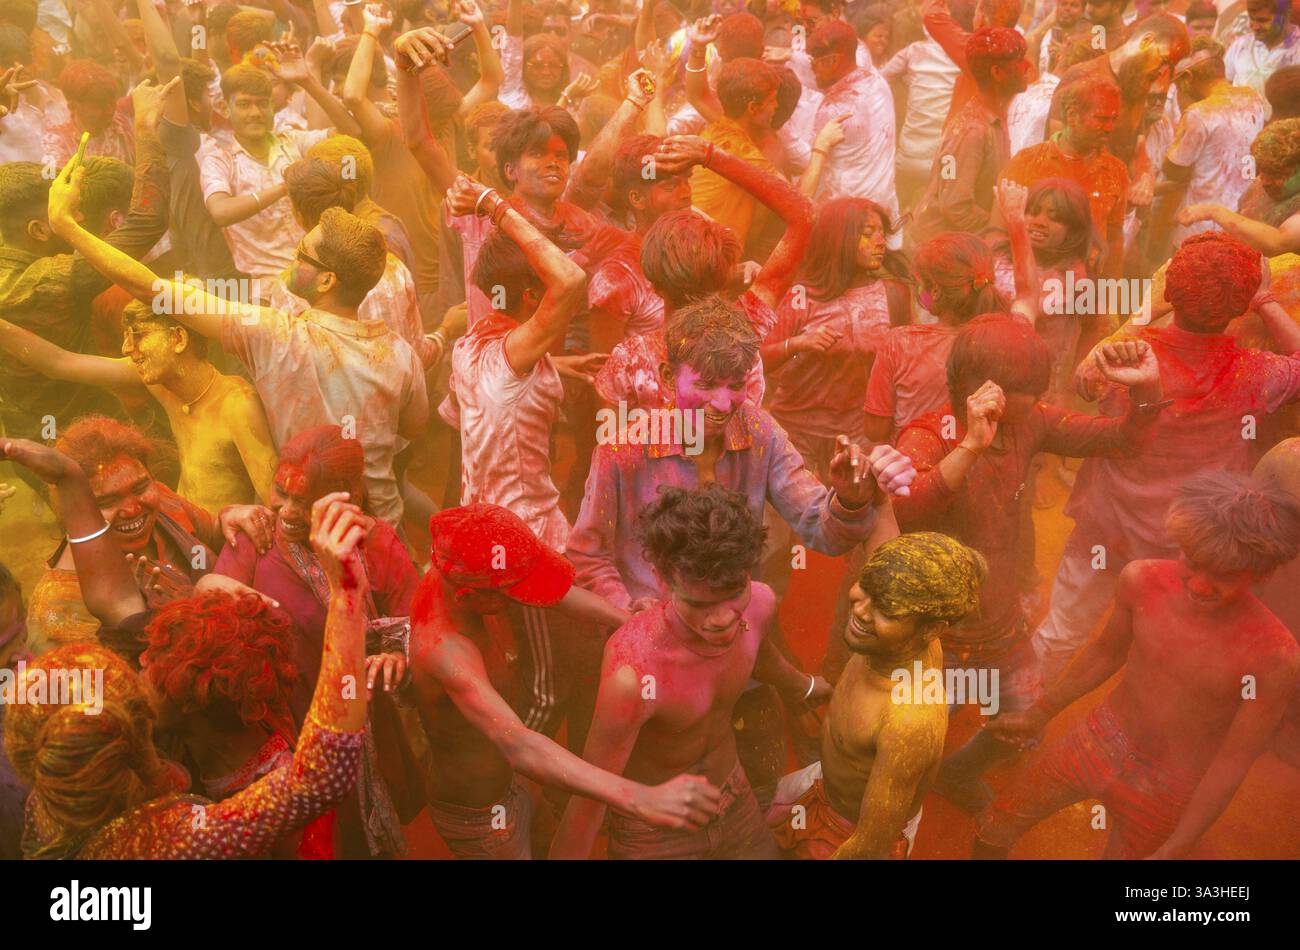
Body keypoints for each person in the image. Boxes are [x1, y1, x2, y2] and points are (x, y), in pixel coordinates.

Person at [2, 435, 369, 860]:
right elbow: (322, 777)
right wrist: (347, 594)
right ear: (142, 741)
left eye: (142, 665)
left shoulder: (50, 804)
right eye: (139, 678)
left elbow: (116, 602)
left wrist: (69, 479)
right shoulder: (170, 835)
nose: (140, 662)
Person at [48, 141, 429, 529]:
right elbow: (413, 429)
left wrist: (66, 227)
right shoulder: (401, 355)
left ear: (328, 280)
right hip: (383, 530)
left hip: (310, 531)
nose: (291, 262)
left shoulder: (277, 337)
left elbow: (151, 289)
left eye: (301, 256)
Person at [893, 314, 1165, 809]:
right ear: (983, 387)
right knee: (915, 739)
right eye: (1029, 390)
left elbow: (1120, 441)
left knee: (1024, 726)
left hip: (1001, 627)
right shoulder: (929, 434)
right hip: (935, 634)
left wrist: (1147, 392)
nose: (1038, 400)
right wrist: (971, 446)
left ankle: (953, 775)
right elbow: (907, 506)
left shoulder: (1031, 421)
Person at [979, 471, 1300, 858]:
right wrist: (1040, 713)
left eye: (1223, 576)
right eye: (1192, 562)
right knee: (997, 825)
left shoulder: (1275, 656)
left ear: (1262, 573)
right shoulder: (1141, 579)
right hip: (1101, 735)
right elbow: (1105, 653)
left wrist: (1178, 845)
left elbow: (1234, 760)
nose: (1198, 584)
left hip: (1172, 783)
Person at [1032, 232, 1300, 683]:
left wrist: (1146, 308)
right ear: (1240, 307)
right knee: (1159, 648)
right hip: (1187, 545)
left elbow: (1085, 378)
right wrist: (1267, 299)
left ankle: (1020, 715)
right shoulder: (1257, 374)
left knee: (1062, 630)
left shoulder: (1127, 358)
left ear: (1168, 292)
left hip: (1108, 527)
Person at [407, 502, 723, 859]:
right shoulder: (445, 651)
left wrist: (626, 621)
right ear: (471, 596)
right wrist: (639, 797)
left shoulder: (460, 570)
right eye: (512, 592)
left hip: (520, 784)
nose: (519, 598)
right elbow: (518, 745)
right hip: (482, 817)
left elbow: (554, 594)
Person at [552, 484, 830, 859]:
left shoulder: (759, 604)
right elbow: (589, 796)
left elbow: (762, 658)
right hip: (654, 832)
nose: (721, 620)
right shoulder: (632, 670)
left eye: (733, 594)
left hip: (734, 802)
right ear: (661, 579)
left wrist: (806, 687)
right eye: (699, 603)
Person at [769, 532, 986, 859]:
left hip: (846, 830)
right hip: (823, 782)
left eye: (886, 609)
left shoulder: (909, 722)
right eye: (866, 589)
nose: (861, 610)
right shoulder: (906, 636)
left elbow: (869, 845)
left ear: (932, 629)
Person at [0, 298, 278, 514]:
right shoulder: (166, 385)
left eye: (138, 335)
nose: (125, 348)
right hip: (189, 534)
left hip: (225, 547)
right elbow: (59, 363)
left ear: (178, 339)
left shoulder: (237, 405)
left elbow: (275, 505)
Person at [24, 416, 226, 655]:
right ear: (75, 512)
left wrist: (231, 519)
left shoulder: (162, 502)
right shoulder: (60, 602)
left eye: (140, 488)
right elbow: (110, 686)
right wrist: (142, 620)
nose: (132, 509)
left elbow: (214, 534)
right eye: (107, 501)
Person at [863, 232, 1007, 444]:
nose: (920, 291)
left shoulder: (900, 343)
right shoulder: (1004, 338)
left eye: (921, 284)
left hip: (914, 469)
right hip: (980, 467)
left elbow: (875, 430)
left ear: (936, 291)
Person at [1147, 38, 1267, 261]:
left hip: (1199, 229)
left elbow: (1174, 169)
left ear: (1189, 78)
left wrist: (1185, 110)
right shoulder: (1253, 97)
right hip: (1244, 225)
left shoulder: (1199, 113)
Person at [912, 26, 1030, 245]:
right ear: (997, 73)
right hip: (942, 250)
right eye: (1019, 62)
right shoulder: (972, 130)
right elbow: (955, 206)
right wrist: (1002, 231)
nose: (1027, 67)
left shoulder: (995, 116)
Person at [1005, 76, 1128, 278]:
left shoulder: (1117, 172)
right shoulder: (1026, 163)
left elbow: (1114, 241)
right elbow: (999, 231)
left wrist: (1111, 301)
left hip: (1085, 295)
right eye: (1101, 119)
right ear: (1072, 116)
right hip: (1029, 286)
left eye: (1114, 119)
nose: (1109, 128)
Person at [1225, 0, 1300, 98]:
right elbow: (1225, 86)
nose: (1254, 27)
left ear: (1286, 16)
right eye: (1251, 19)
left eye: (1263, 20)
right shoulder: (1239, 46)